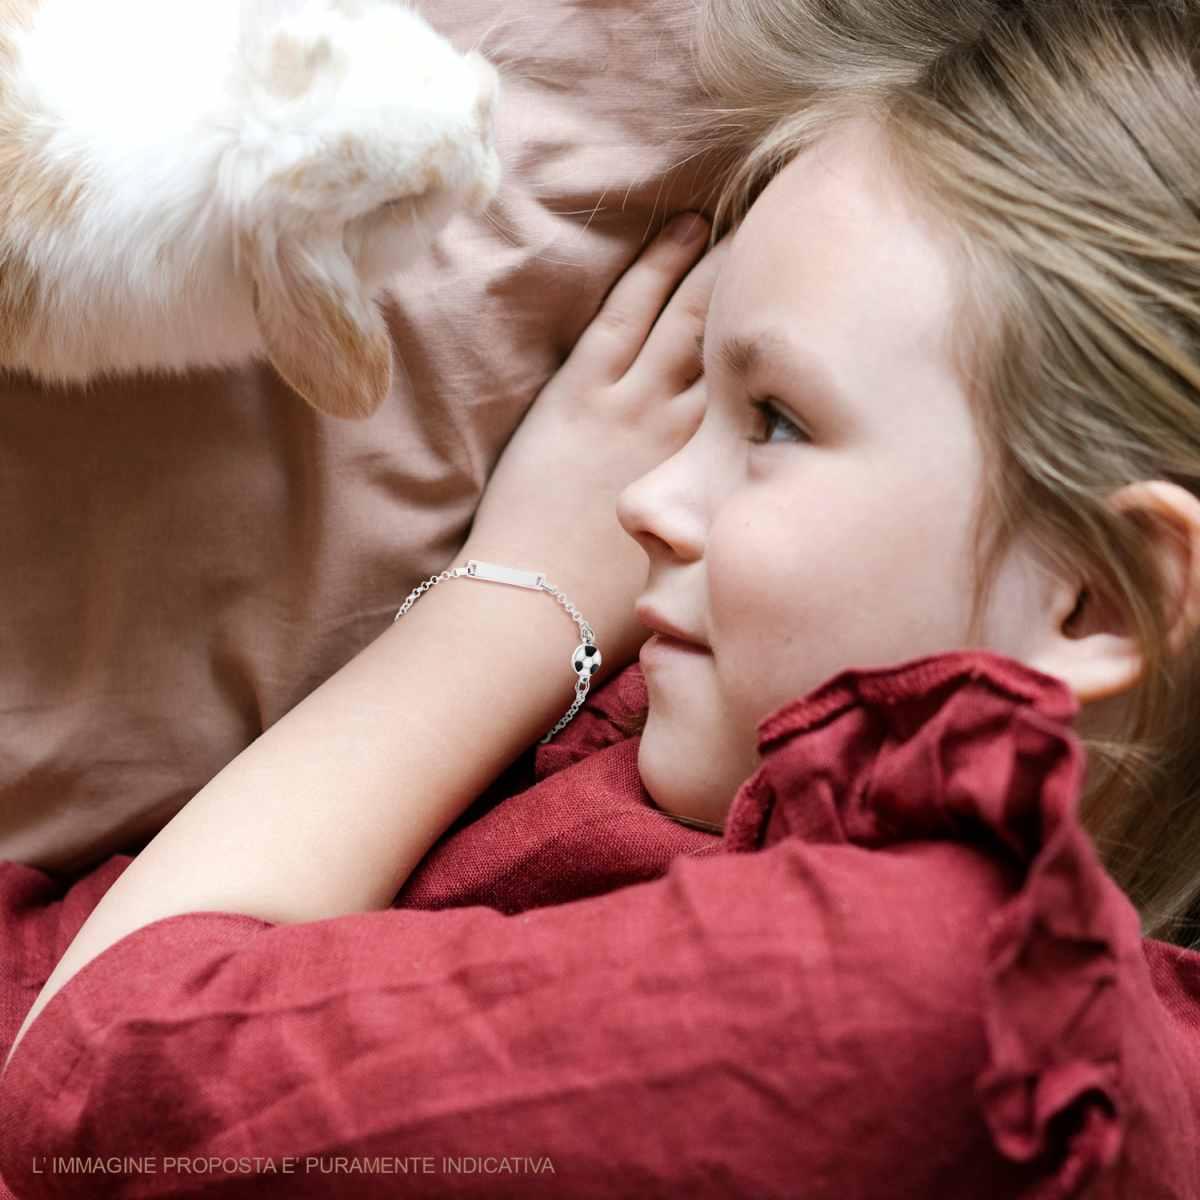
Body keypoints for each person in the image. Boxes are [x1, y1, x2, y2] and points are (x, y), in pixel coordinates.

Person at [2, 0, 1200, 1196]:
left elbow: (95, 1087)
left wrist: (520, 598)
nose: (646, 495)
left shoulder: (926, 1013)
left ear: (1093, 596)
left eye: (774, 420)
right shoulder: (731, 758)